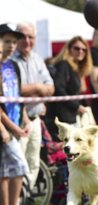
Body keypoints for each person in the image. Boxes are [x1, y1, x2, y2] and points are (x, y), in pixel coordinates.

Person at [13, 22, 54, 191]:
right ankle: (14, 204)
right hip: (16, 121)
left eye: (31, 37)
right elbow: (12, 89)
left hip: (36, 119)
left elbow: (51, 88)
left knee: (33, 162)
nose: (27, 41)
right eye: (23, 36)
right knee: (17, 163)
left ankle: (25, 199)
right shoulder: (8, 60)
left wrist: (35, 90)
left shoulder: (38, 59)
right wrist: (38, 88)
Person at [0, 25, 31, 205]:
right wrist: (9, 129)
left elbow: (17, 96)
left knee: (7, 170)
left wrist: (25, 118)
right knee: (19, 165)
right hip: (5, 126)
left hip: (15, 122)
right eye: (7, 41)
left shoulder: (14, 66)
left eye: (13, 41)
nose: (11, 45)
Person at [45, 36, 92, 139]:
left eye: (84, 49)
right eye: (76, 48)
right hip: (62, 119)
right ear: (69, 49)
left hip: (70, 118)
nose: (80, 51)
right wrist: (77, 106)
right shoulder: (64, 65)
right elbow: (58, 89)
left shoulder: (75, 69)